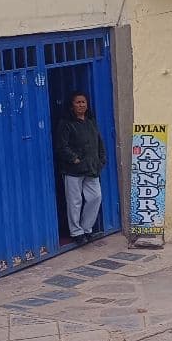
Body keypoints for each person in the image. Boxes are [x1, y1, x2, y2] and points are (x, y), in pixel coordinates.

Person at [55, 92, 105, 244]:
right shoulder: (66, 123)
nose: (81, 105)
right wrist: (74, 159)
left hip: (91, 167)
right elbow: (61, 146)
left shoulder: (90, 121)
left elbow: (98, 141)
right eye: (78, 102)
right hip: (73, 170)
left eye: (83, 102)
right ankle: (76, 232)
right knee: (74, 202)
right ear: (72, 106)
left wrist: (101, 158)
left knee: (95, 197)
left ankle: (87, 228)